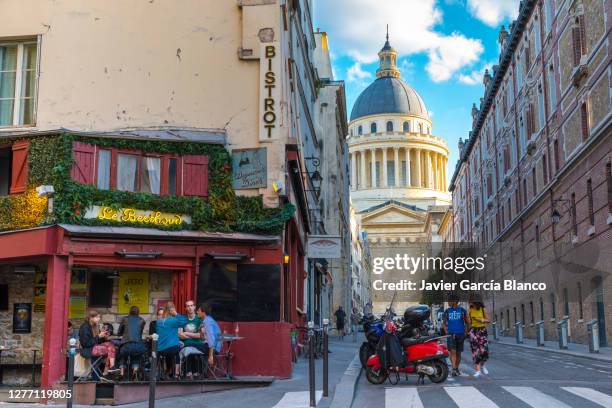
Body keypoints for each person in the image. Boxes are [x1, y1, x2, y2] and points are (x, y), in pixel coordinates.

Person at [78, 310, 119, 377]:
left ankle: (110, 368)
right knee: (111, 349)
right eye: (97, 317)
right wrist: (99, 336)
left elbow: (97, 341)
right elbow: (85, 344)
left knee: (110, 344)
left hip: (94, 348)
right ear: (91, 318)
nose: (99, 319)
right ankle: (109, 370)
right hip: (87, 350)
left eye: (99, 317)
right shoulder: (84, 327)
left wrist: (103, 337)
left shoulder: (94, 326)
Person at [156, 302, 188, 378]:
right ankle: (177, 373)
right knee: (177, 353)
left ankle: (166, 371)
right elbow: (184, 321)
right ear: (172, 310)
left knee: (169, 352)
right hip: (172, 348)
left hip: (160, 349)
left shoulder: (158, 322)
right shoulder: (173, 320)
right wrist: (176, 314)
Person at [442, 298, 469, 377]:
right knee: (453, 352)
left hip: (460, 334)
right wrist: (446, 331)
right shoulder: (447, 311)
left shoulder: (462, 311)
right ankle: (454, 368)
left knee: (458, 353)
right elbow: (444, 323)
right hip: (451, 335)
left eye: (450, 301)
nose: (448, 302)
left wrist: (466, 332)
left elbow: (467, 323)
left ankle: (456, 368)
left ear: (455, 301)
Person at [117, 306, 146, 379]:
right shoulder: (142, 320)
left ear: (129, 311)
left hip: (126, 345)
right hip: (138, 345)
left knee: (122, 355)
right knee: (136, 356)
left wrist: (122, 334)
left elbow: (119, 332)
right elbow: (140, 333)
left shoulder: (125, 319)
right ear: (138, 312)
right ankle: (135, 370)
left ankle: (122, 372)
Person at [179, 300, 205, 378]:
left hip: (198, 343)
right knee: (188, 347)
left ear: (194, 307)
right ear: (185, 308)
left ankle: (196, 371)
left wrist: (186, 333)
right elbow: (180, 335)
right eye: (188, 306)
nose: (190, 308)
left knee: (190, 346)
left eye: (191, 306)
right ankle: (188, 371)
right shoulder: (182, 319)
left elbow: (200, 335)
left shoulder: (199, 319)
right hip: (186, 343)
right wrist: (194, 335)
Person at [469, 301, 491, 377]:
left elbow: (488, 320)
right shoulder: (470, 309)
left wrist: (480, 319)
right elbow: (469, 321)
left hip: (482, 330)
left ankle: (482, 365)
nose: (470, 302)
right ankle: (478, 371)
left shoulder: (482, 309)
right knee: (475, 351)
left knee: (484, 351)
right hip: (473, 331)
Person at [196, 303, 221, 369]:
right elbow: (202, 338)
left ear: (203, 312)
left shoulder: (207, 322)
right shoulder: (207, 320)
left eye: (198, 311)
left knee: (190, 346)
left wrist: (211, 356)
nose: (197, 312)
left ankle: (194, 371)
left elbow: (211, 339)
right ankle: (203, 371)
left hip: (214, 347)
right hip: (210, 346)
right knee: (193, 347)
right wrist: (200, 330)